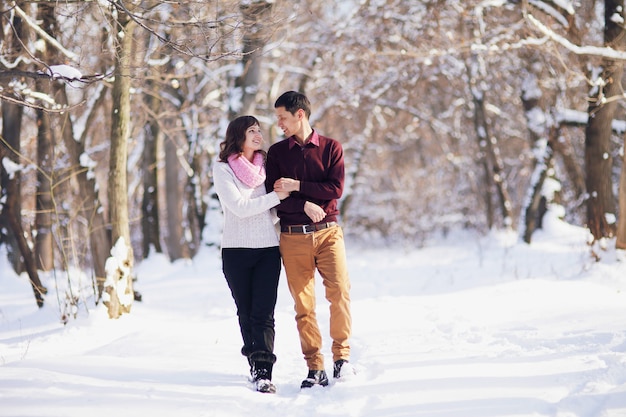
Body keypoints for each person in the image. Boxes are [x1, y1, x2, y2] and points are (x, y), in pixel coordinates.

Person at [266, 91, 355, 389]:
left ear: (300, 114)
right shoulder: (277, 154)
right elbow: (275, 200)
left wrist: (297, 186)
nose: (279, 123)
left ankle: (341, 360)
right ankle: (315, 367)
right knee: (303, 306)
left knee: (339, 293)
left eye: (283, 117)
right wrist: (302, 203)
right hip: (292, 238)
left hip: (329, 232)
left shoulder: (331, 148)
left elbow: (335, 189)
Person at [212, 115, 288, 394]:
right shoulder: (222, 169)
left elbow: (273, 212)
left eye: (259, 130)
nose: (258, 134)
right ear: (238, 136)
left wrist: (281, 209)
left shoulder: (267, 166)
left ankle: (264, 372)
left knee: (264, 313)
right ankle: (254, 364)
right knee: (246, 312)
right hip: (236, 251)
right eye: (251, 130)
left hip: (268, 249)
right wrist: (277, 197)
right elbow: (240, 207)